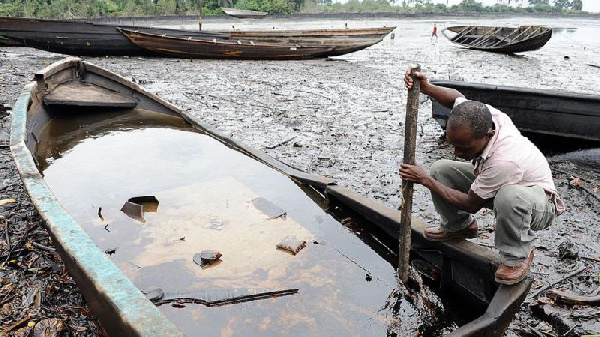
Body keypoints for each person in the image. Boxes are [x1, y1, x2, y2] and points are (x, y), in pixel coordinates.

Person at [400, 67, 565, 285]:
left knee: (510, 197)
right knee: (441, 169)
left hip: (538, 202)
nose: (457, 153)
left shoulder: (505, 160)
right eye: (454, 145)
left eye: (463, 147)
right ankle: (459, 227)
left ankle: (517, 257)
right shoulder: (484, 116)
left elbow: (470, 203)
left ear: (488, 135)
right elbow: (456, 99)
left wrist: (424, 180)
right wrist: (426, 87)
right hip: (503, 184)